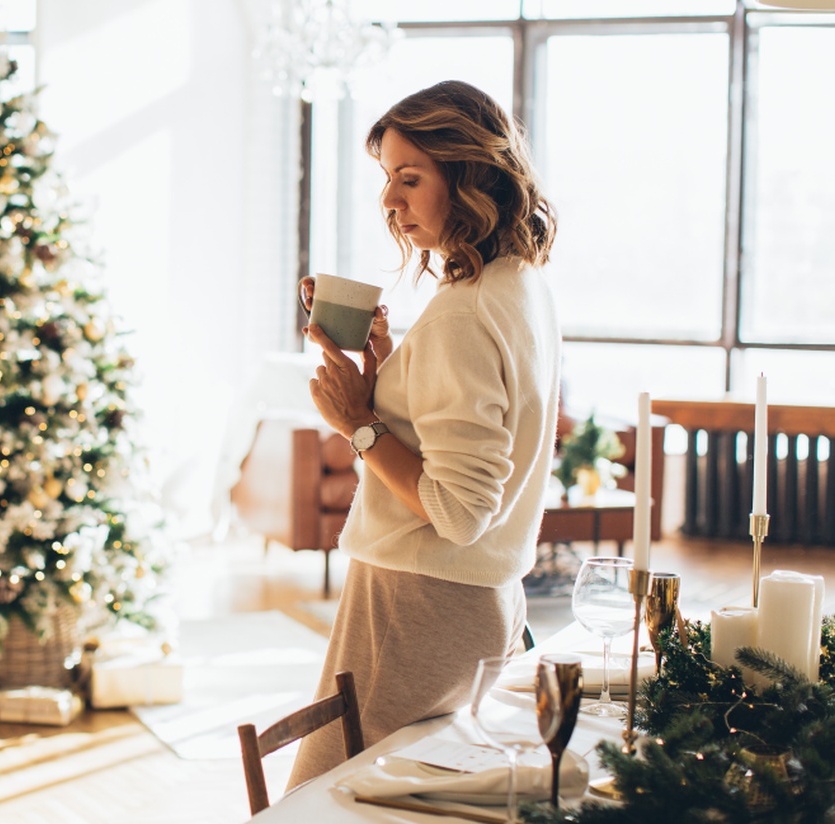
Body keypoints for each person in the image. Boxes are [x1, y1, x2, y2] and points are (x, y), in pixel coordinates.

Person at [288, 79, 561, 786]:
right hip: (477, 603)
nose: (390, 201)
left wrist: (359, 421)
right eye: (388, 179)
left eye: (410, 179)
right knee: (417, 797)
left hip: (416, 609)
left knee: (330, 798)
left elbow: (460, 511)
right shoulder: (519, 283)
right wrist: (384, 373)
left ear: (470, 177)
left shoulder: (464, 314)